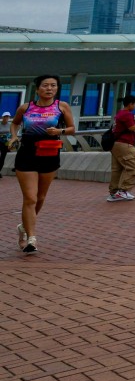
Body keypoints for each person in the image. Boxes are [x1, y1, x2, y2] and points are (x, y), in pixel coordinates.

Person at [7, 75, 76, 253]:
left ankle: (23, 227)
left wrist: (59, 130)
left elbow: (72, 129)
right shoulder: (26, 108)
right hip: (27, 153)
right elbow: (14, 124)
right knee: (30, 198)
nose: (49, 89)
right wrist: (14, 136)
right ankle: (31, 238)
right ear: (37, 89)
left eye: (53, 85)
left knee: (40, 198)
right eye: (45, 85)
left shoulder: (62, 106)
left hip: (49, 152)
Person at [107, 95, 135, 202]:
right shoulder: (127, 114)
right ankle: (123, 191)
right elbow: (132, 128)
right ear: (130, 104)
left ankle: (113, 193)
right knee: (133, 165)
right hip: (124, 143)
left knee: (117, 169)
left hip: (115, 144)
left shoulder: (119, 113)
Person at [0, 111, 11, 177]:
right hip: (0, 141)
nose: (6, 118)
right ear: (2, 117)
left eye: (8, 116)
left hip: (6, 143)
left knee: (2, 158)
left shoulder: (10, 125)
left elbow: (12, 133)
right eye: (5, 116)